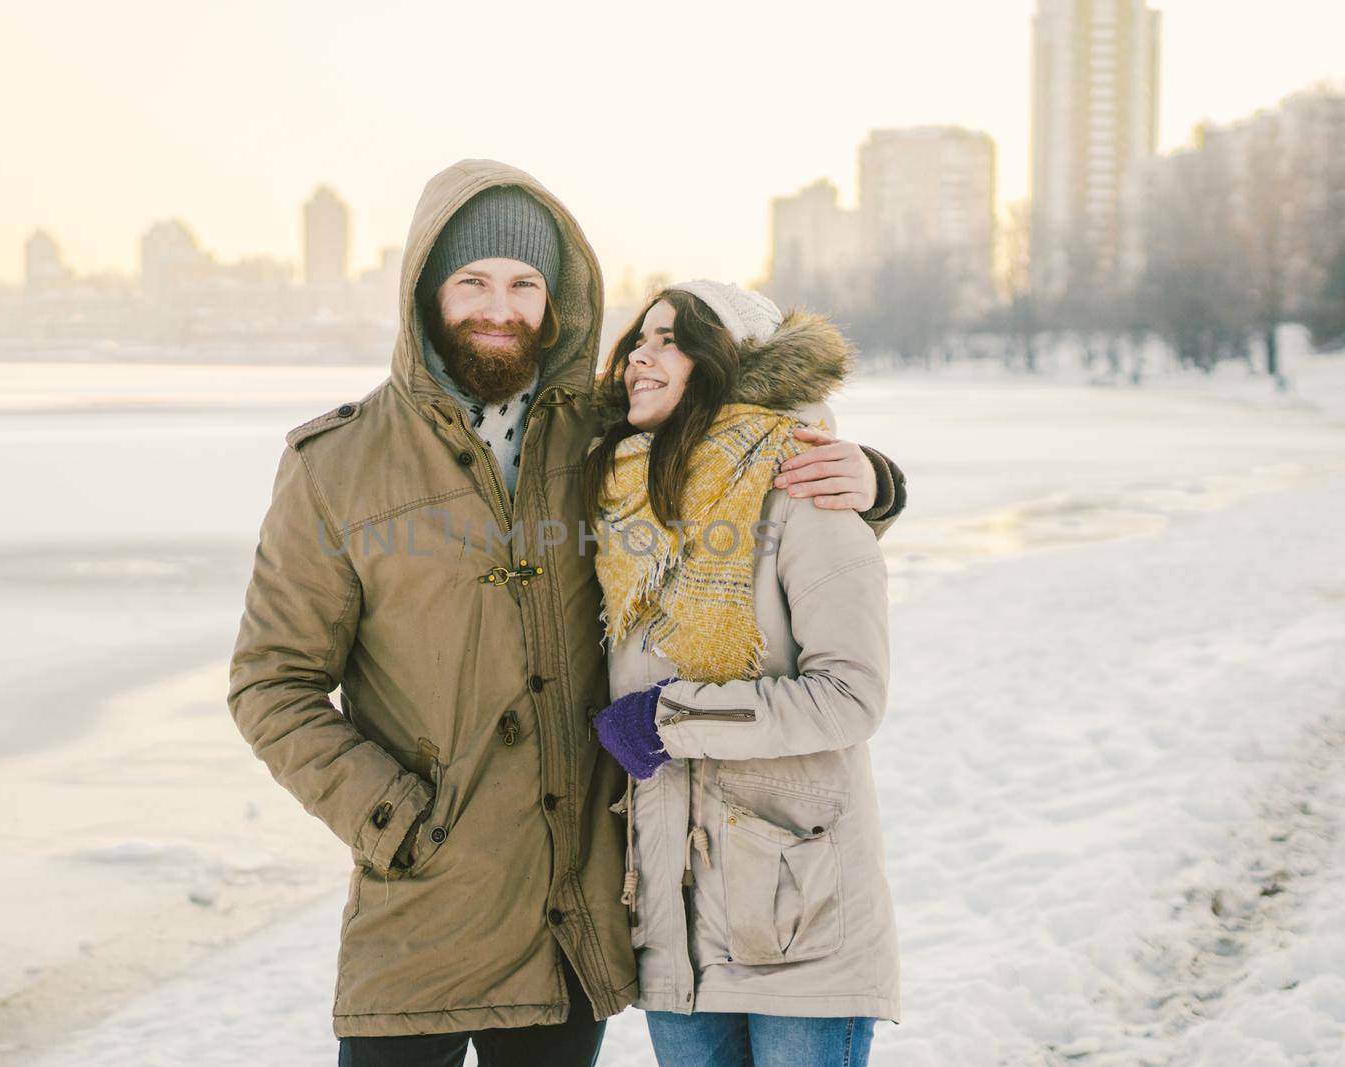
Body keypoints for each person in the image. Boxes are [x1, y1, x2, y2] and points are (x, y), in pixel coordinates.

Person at [226, 159, 908, 1067]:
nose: (497, 307)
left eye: (523, 283)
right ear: (424, 292)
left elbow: (743, 450)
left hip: (568, 919)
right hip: (417, 907)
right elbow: (272, 683)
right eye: (471, 281)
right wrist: (388, 816)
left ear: (557, 300)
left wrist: (875, 481)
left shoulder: (608, 433)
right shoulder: (337, 463)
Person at [588, 282, 900, 1067]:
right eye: (638, 338)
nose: (639, 357)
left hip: (798, 909)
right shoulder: (619, 497)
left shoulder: (805, 486)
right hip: (671, 920)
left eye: (671, 339)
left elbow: (851, 695)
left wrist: (668, 719)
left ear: (729, 363)